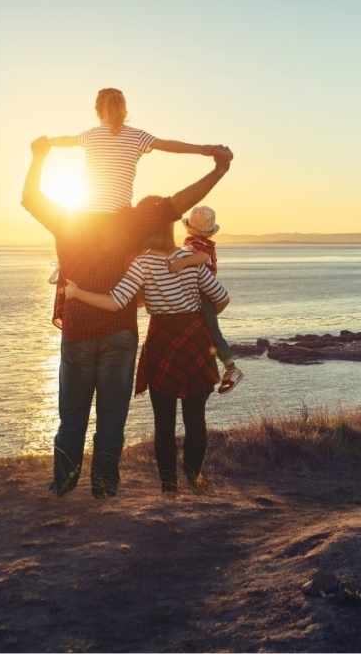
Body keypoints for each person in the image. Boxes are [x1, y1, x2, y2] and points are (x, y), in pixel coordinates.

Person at [22, 136, 232, 498]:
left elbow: (29, 198)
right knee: (112, 419)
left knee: (72, 416)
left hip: (77, 332)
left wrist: (39, 157)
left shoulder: (66, 218)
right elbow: (180, 203)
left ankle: (64, 482)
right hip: (120, 334)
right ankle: (104, 486)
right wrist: (218, 169)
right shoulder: (133, 222)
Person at [64, 217, 230, 494]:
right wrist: (199, 317)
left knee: (163, 422)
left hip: (162, 341)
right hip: (195, 341)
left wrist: (77, 292)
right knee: (195, 418)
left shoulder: (142, 263)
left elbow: (115, 302)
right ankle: (193, 478)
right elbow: (222, 297)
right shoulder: (192, 260)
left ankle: (169, 485)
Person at [47, 87, 229, 213]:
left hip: (85, 214)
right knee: (168, 210)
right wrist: (205, 149)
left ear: (98, 111)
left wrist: (47, 142)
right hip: (119, 215)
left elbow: (67, 140)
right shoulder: (138, 136)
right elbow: (168, 145)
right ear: (124, 111)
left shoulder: (90, 135)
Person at [168, 205, 244, 393]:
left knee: (212, 332)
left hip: (203, 293)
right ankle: (226, 367)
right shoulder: (199, 243)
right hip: (203, 293)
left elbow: (201, 258)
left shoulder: (198, 246)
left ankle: (231, 368)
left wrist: (183, 262)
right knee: (207, 330)